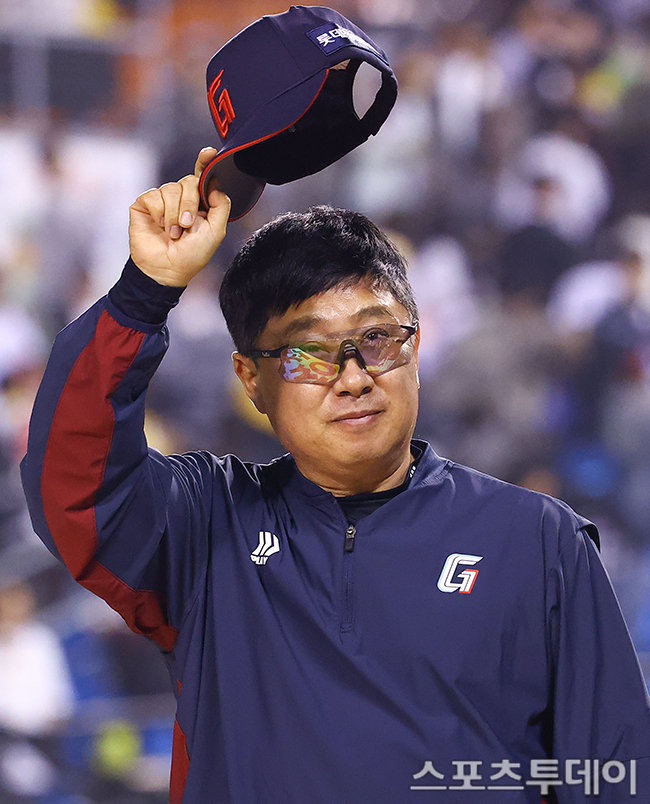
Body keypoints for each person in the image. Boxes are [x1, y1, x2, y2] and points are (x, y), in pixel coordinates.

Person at [21, 147, 650, 803]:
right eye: (308, 352)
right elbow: (74, 482)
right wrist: (143, 294)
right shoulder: (204, 526)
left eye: (377, 339)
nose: (353, 377)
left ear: (416, 346)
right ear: (251, 380)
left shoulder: (539, 542)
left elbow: (612, 771)